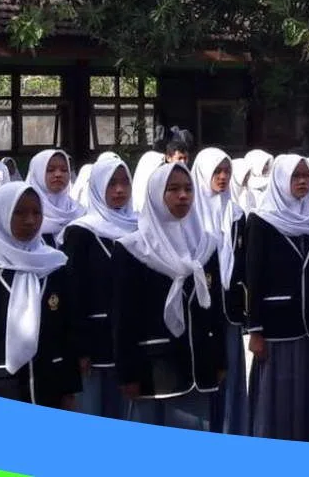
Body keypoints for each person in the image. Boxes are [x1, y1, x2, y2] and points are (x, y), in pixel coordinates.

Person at [113, 162, 226, 430]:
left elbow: (214, 308)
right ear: (155, 195)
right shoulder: (134, 249)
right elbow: (124, 317)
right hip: (155, 371)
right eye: (173, 189)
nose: (183, 196)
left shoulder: (205, 245)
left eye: (188, 189)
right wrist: (127, 373)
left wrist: (220, 359)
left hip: (199, 365)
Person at [0, 182, 78, 408]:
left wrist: (70, 389)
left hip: (49, 387)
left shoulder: (55, 264)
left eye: (36, 212)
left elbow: (67, 333)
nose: (30, 221)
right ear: (1, 215)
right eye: (18, 213)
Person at [246, 154, 309, 442]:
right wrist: (255, 330)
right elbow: (254, 276)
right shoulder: (262, 221)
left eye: (307, 176)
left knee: (307, 395)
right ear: (281, 180)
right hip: (276, 327)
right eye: (296, 176)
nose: (303, 181)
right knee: (276, 396)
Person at [59, 158, 138, 419]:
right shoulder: (80, 232)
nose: (119, 190)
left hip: (130, 341)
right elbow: (73, 293)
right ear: (97, 188)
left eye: (124, 182)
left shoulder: (140, 227)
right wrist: (79, 349)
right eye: (111, 183)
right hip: (94, 344)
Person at [190, 148, 248, 436]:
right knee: (206, 371)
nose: (223, 177)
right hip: (201, 312)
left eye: (226, 171)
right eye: (217, 171)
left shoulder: (236, 215)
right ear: (202, 173)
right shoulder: (190, 217)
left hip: (230, 310)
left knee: (232, 375)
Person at [22, 149, 86, 247]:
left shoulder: (80, 212)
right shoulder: (23, 215)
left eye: (64, 170)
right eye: (50, 170)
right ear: (37, 173)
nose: (58, 175)